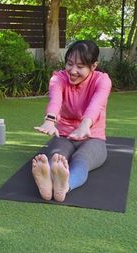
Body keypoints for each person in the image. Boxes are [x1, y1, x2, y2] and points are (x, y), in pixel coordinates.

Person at [32, 40, 111, 202]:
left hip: (92, 137)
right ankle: (48, 182)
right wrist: (50, 120)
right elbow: (55, 100)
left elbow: (97, 104)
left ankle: (65, 185)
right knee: (57, 158)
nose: (73, 71)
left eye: (80, 67)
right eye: (69, 64)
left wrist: (84, 126)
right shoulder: (58, 79)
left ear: (94, 66)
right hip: (64, 135)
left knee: (82, 160)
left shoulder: (102, 81)